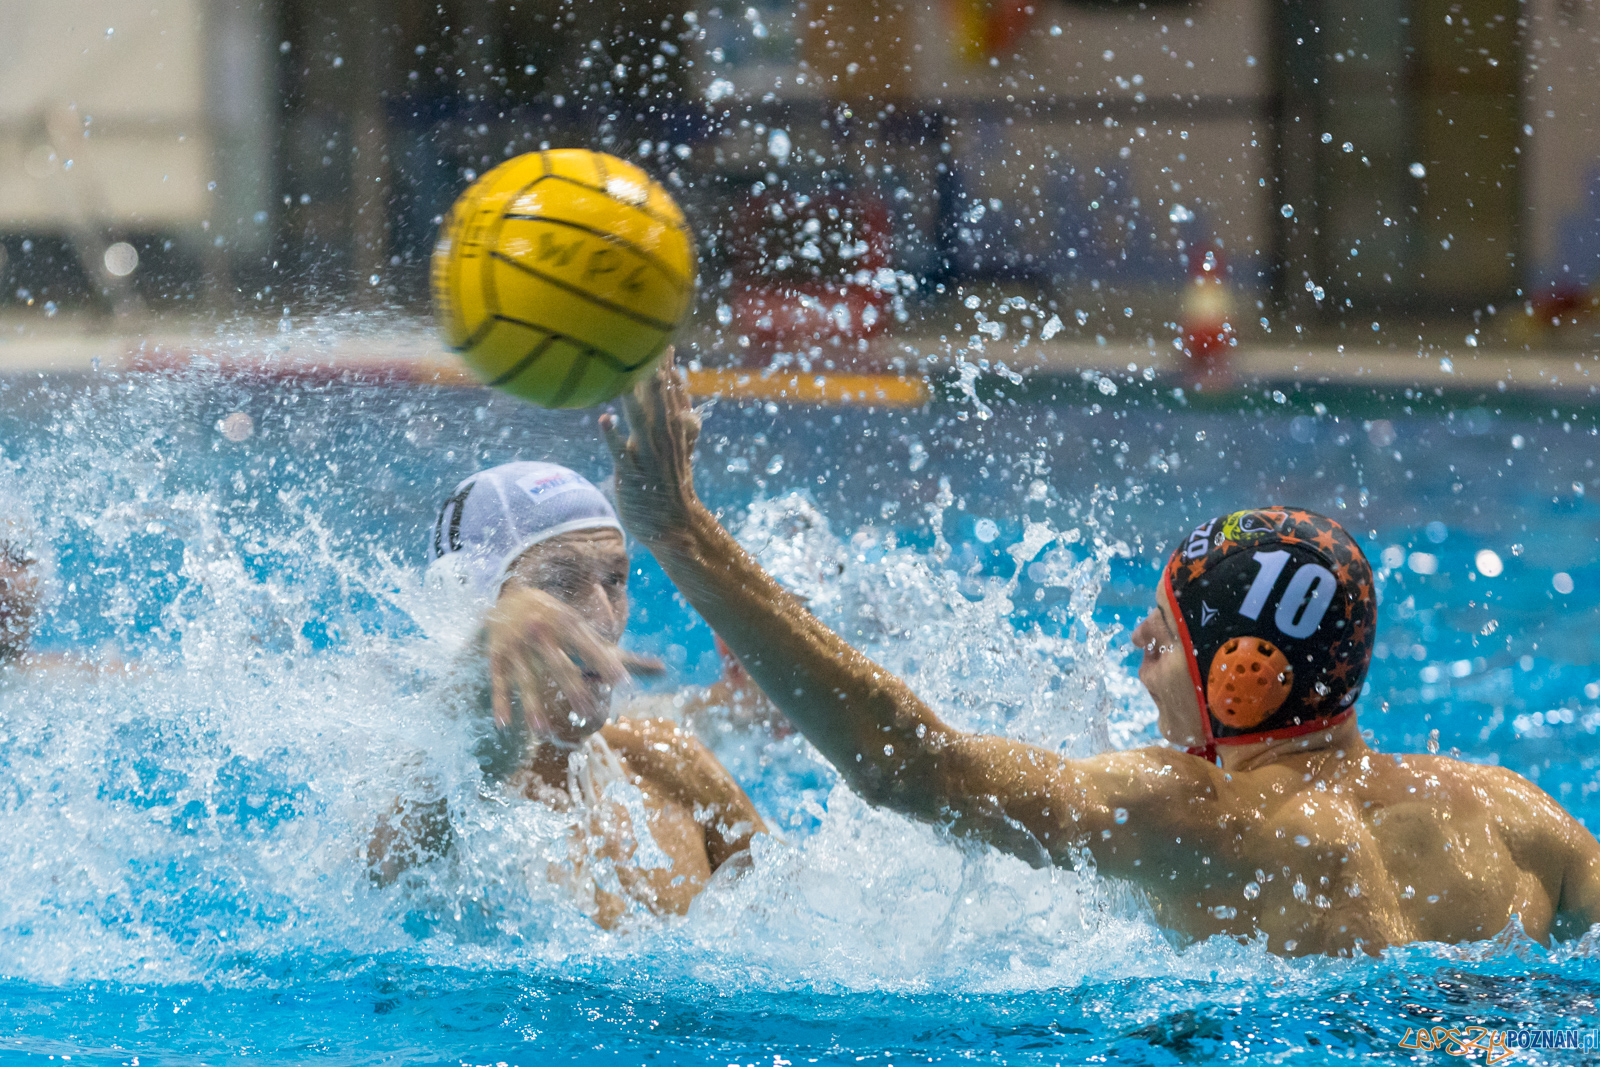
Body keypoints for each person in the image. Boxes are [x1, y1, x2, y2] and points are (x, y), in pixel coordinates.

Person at [599, 357, 1600, 957]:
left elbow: (907, 765)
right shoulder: (1519, 816)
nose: (1132, 648)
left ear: (1239, 673)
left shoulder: (1192, 813)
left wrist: (683, 534)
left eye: (1161, 633)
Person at [368, 460, 768, 928]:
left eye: (614, 581)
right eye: (558, 583)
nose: (602, 619)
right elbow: (387, 869)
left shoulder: (669, 765)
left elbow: (808, 924)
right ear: (475, 601)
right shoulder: (414, 801)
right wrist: (486, 650)